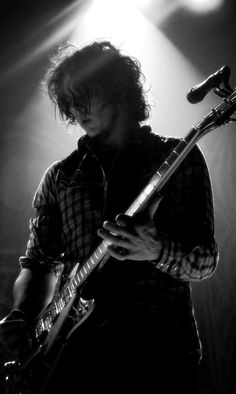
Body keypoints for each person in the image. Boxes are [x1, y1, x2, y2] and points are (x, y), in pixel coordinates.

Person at [0, 41, 218, 394]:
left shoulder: (178, 159)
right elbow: (39, 263)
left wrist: (157, 249)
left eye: (83, 93)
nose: (74, 107)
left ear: (115, 87)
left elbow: (205, 260)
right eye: (67, 100)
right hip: (75, 361)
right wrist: (24, 314)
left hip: (159, 354)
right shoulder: (61, 177)